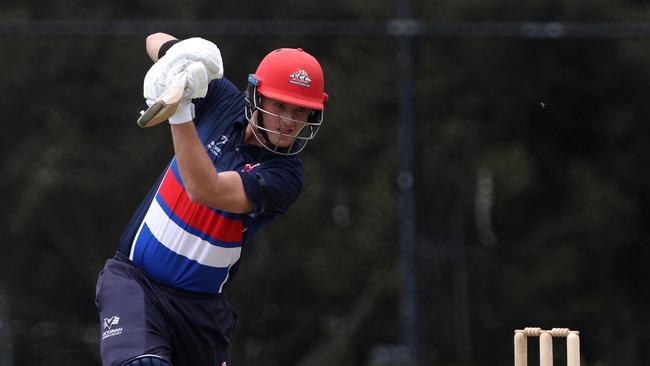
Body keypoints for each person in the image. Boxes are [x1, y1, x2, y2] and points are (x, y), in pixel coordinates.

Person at [95, 32, 328, 366]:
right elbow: (152, 39)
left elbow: (204, 190)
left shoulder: (285, 175)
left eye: (301, 111)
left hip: (201, 313)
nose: (289, 121)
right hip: (135, 283)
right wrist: (183, 61)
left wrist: (180, 111)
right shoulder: (220, 97)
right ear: (256, 96)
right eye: (279, 105)